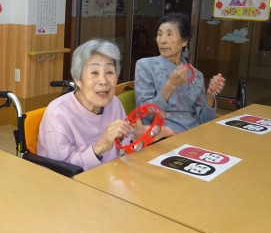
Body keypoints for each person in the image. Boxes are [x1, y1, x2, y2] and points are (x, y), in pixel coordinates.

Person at [37, 39, 173, 171]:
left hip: (111, 175)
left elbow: (122, 147)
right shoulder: (58, 114)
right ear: (78, 79)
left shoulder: (114, 103)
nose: (103, 81)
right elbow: (62, 171)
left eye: (109, 72)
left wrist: (135, 139)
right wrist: (99, 148)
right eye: (94, 73)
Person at [135, 12, 225, 133]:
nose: (162, 40)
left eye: (169, 34)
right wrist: (170, 85)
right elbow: (144, 115)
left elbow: (205, 121)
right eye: (159, 34)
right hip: (162, 135)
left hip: (193, 134)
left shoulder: (196, 76)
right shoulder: (145, 66)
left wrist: (210, 97)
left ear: (184, 41)